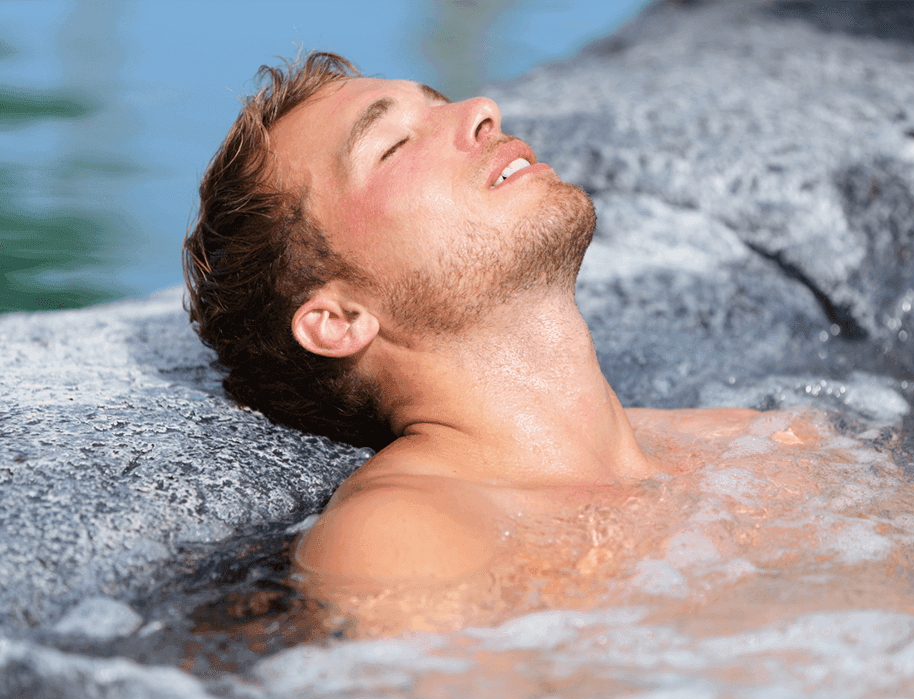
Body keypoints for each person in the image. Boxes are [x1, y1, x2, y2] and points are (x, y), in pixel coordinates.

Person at [184, 52, 834, 632]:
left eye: (441, 102)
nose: (481, 110)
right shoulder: (401, 538)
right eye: (392, 144)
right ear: (339, 319)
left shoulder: (770, 448)